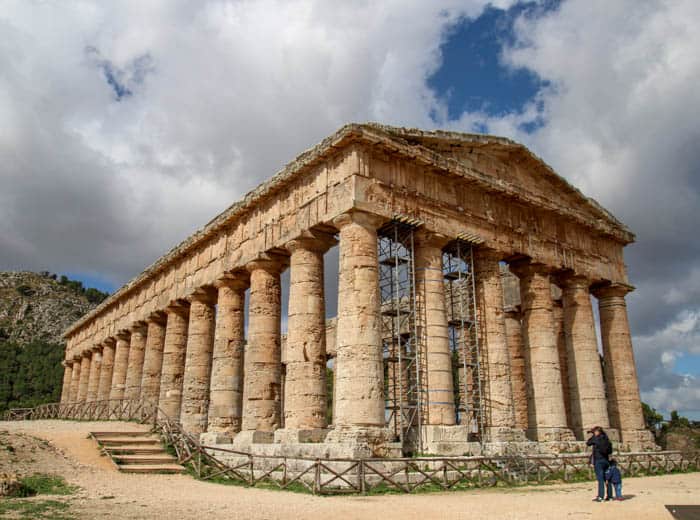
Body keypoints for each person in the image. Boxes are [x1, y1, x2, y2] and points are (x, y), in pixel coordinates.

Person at [586, 426, 613, 502]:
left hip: (599, 461)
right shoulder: (606, 439)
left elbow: (588, 443)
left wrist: (593, 436)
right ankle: (610, 496)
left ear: (597, 432)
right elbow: (610, 451)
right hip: (606, 461)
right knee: (607, 479)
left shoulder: (596, 439)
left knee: (600, 479)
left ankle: (600, 497)